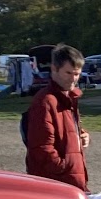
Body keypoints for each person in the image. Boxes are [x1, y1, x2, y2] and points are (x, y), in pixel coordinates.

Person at [25, 43, 89, 190]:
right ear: (54, 69)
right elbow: (41, 148)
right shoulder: (45, 102)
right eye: (69, 73)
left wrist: (81, 136)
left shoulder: (68, 99)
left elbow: (65, 131)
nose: (73, 79)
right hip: (58, 184)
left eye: (77, 74)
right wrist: (64, 167)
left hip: (71, 181)